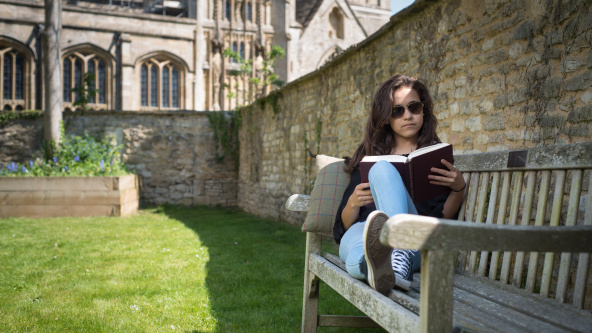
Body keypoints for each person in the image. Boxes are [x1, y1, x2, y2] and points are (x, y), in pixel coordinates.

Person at [333, 74, 466, 294]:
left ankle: (397, 250)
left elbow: (442, 219)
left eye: (413, 107)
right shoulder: (370, 157)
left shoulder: (434, 156)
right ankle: (380, 270)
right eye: (397, 110)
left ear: (423, 110)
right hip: (365, 232)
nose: (407, 116)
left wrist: (458, 188)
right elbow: (344, 225)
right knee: (360, 252)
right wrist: (353, 203)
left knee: (383, 168)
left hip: (414, 238)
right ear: (385, 117)